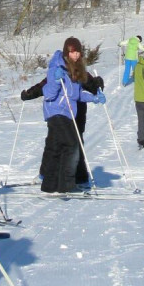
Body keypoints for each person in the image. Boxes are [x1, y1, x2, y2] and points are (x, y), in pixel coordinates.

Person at [39, 37, 104, 193]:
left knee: (57, 148)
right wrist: (55, 79)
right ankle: (66, 185)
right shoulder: (56, 67)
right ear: (66, 52)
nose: (76, 55)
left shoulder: (76, 68)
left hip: (67, 113)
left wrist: (94, 98)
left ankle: (49, 185)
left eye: (78, 52)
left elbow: (77, 95)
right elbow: (48, 94)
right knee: (72, 144)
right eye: (72, 52)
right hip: (55, 112)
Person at [21, 71, 104, 187]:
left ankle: (81, 178)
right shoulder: (58, 71)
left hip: (77, 113)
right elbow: (44, 86)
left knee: (77, 143)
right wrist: (29, 94)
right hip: (58, 113)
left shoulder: (81, 72)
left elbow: (93, 88)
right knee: (52, 143)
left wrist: (98, 84)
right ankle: (44, 175)